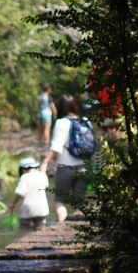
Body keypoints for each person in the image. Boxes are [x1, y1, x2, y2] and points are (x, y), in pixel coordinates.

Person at [39, 94, 88, 222]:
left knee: (59, 201)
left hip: (65, 167)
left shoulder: (61, 123)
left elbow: (56, 147)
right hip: (84, 166)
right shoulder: (85, 121)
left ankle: (61, 225)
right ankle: (81, 231)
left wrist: (45, 162)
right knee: (79, 202)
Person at [9, 157, 50, 228]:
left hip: (28, 209)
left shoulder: (24, 177)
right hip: (42, 208)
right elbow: (46, 186)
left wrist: (13, 203)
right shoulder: (43, 176)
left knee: (24, 227)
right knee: (40, 227)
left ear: (23, 169)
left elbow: (20, 193)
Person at [37, 82, 57, 150]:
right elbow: (53, 107)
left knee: (41, 129)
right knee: (47, 129)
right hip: (47, 113)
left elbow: (37, 106)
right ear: (49, 89)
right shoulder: (49, 98)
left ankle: (41, 142)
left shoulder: (39, 97)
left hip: (41, 113)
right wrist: (55, 114)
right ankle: (47, 144)